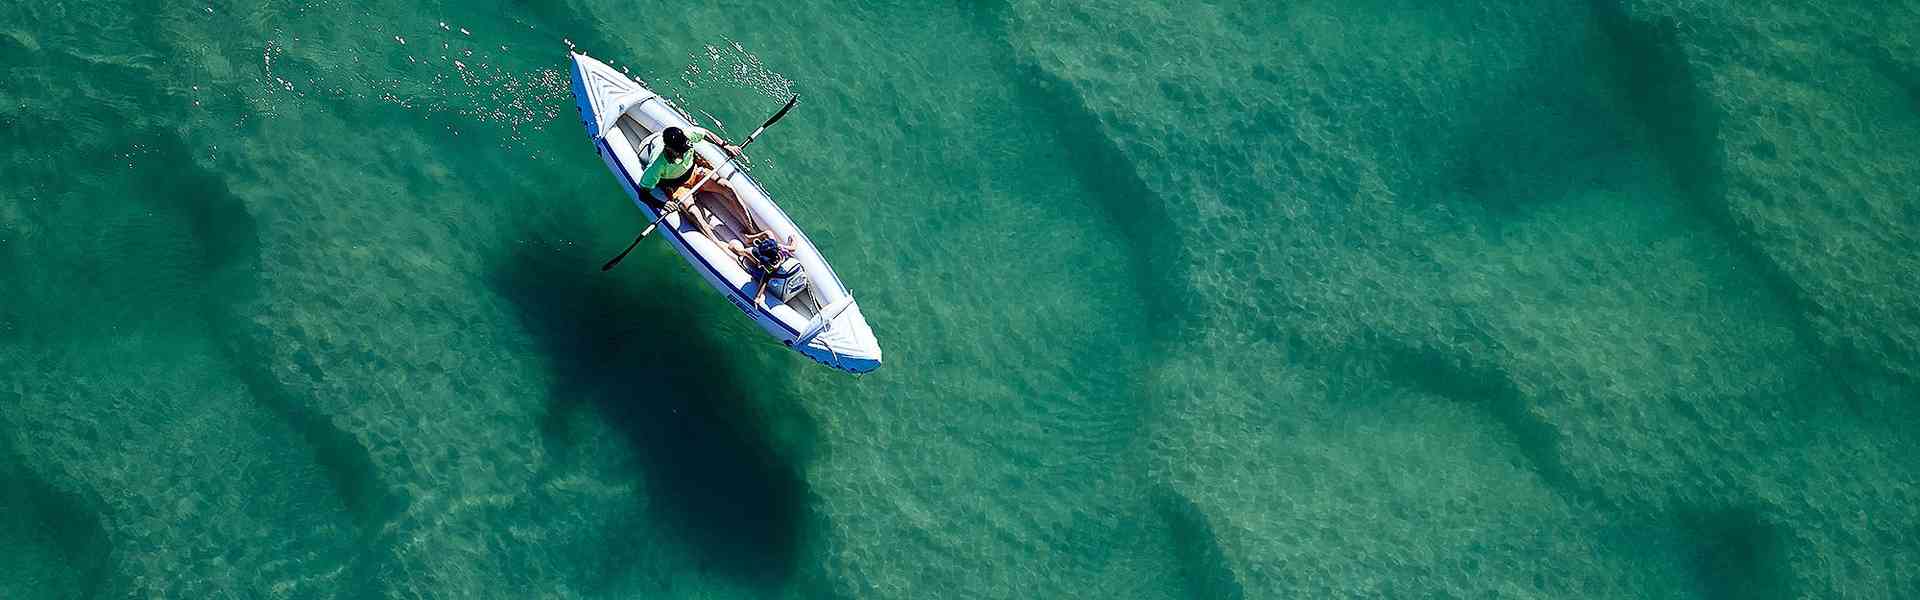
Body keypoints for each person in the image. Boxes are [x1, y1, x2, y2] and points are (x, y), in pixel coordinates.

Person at [638, 126, 744, 240]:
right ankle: (720, 245)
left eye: (685, 149)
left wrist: (726, 146)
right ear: (669, 149)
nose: (683, 153)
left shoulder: (688, 135)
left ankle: (751, 230)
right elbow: (643, 193)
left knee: (727, 187)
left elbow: (706, 133)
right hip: (677, 186)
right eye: (680, 151)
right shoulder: (656, 165)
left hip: (695, 171)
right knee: (693, 212)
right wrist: (662, 204)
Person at [726, 232, 799, 309]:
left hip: (764, 269)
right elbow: (793, 248)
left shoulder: (768, 264)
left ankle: (736, 249)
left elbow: (765, 278)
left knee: (746, 251)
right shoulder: (782, 250)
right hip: (776, 259)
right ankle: (749, 239)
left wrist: (758, 296)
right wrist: (793, 239)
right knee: (768, 233)